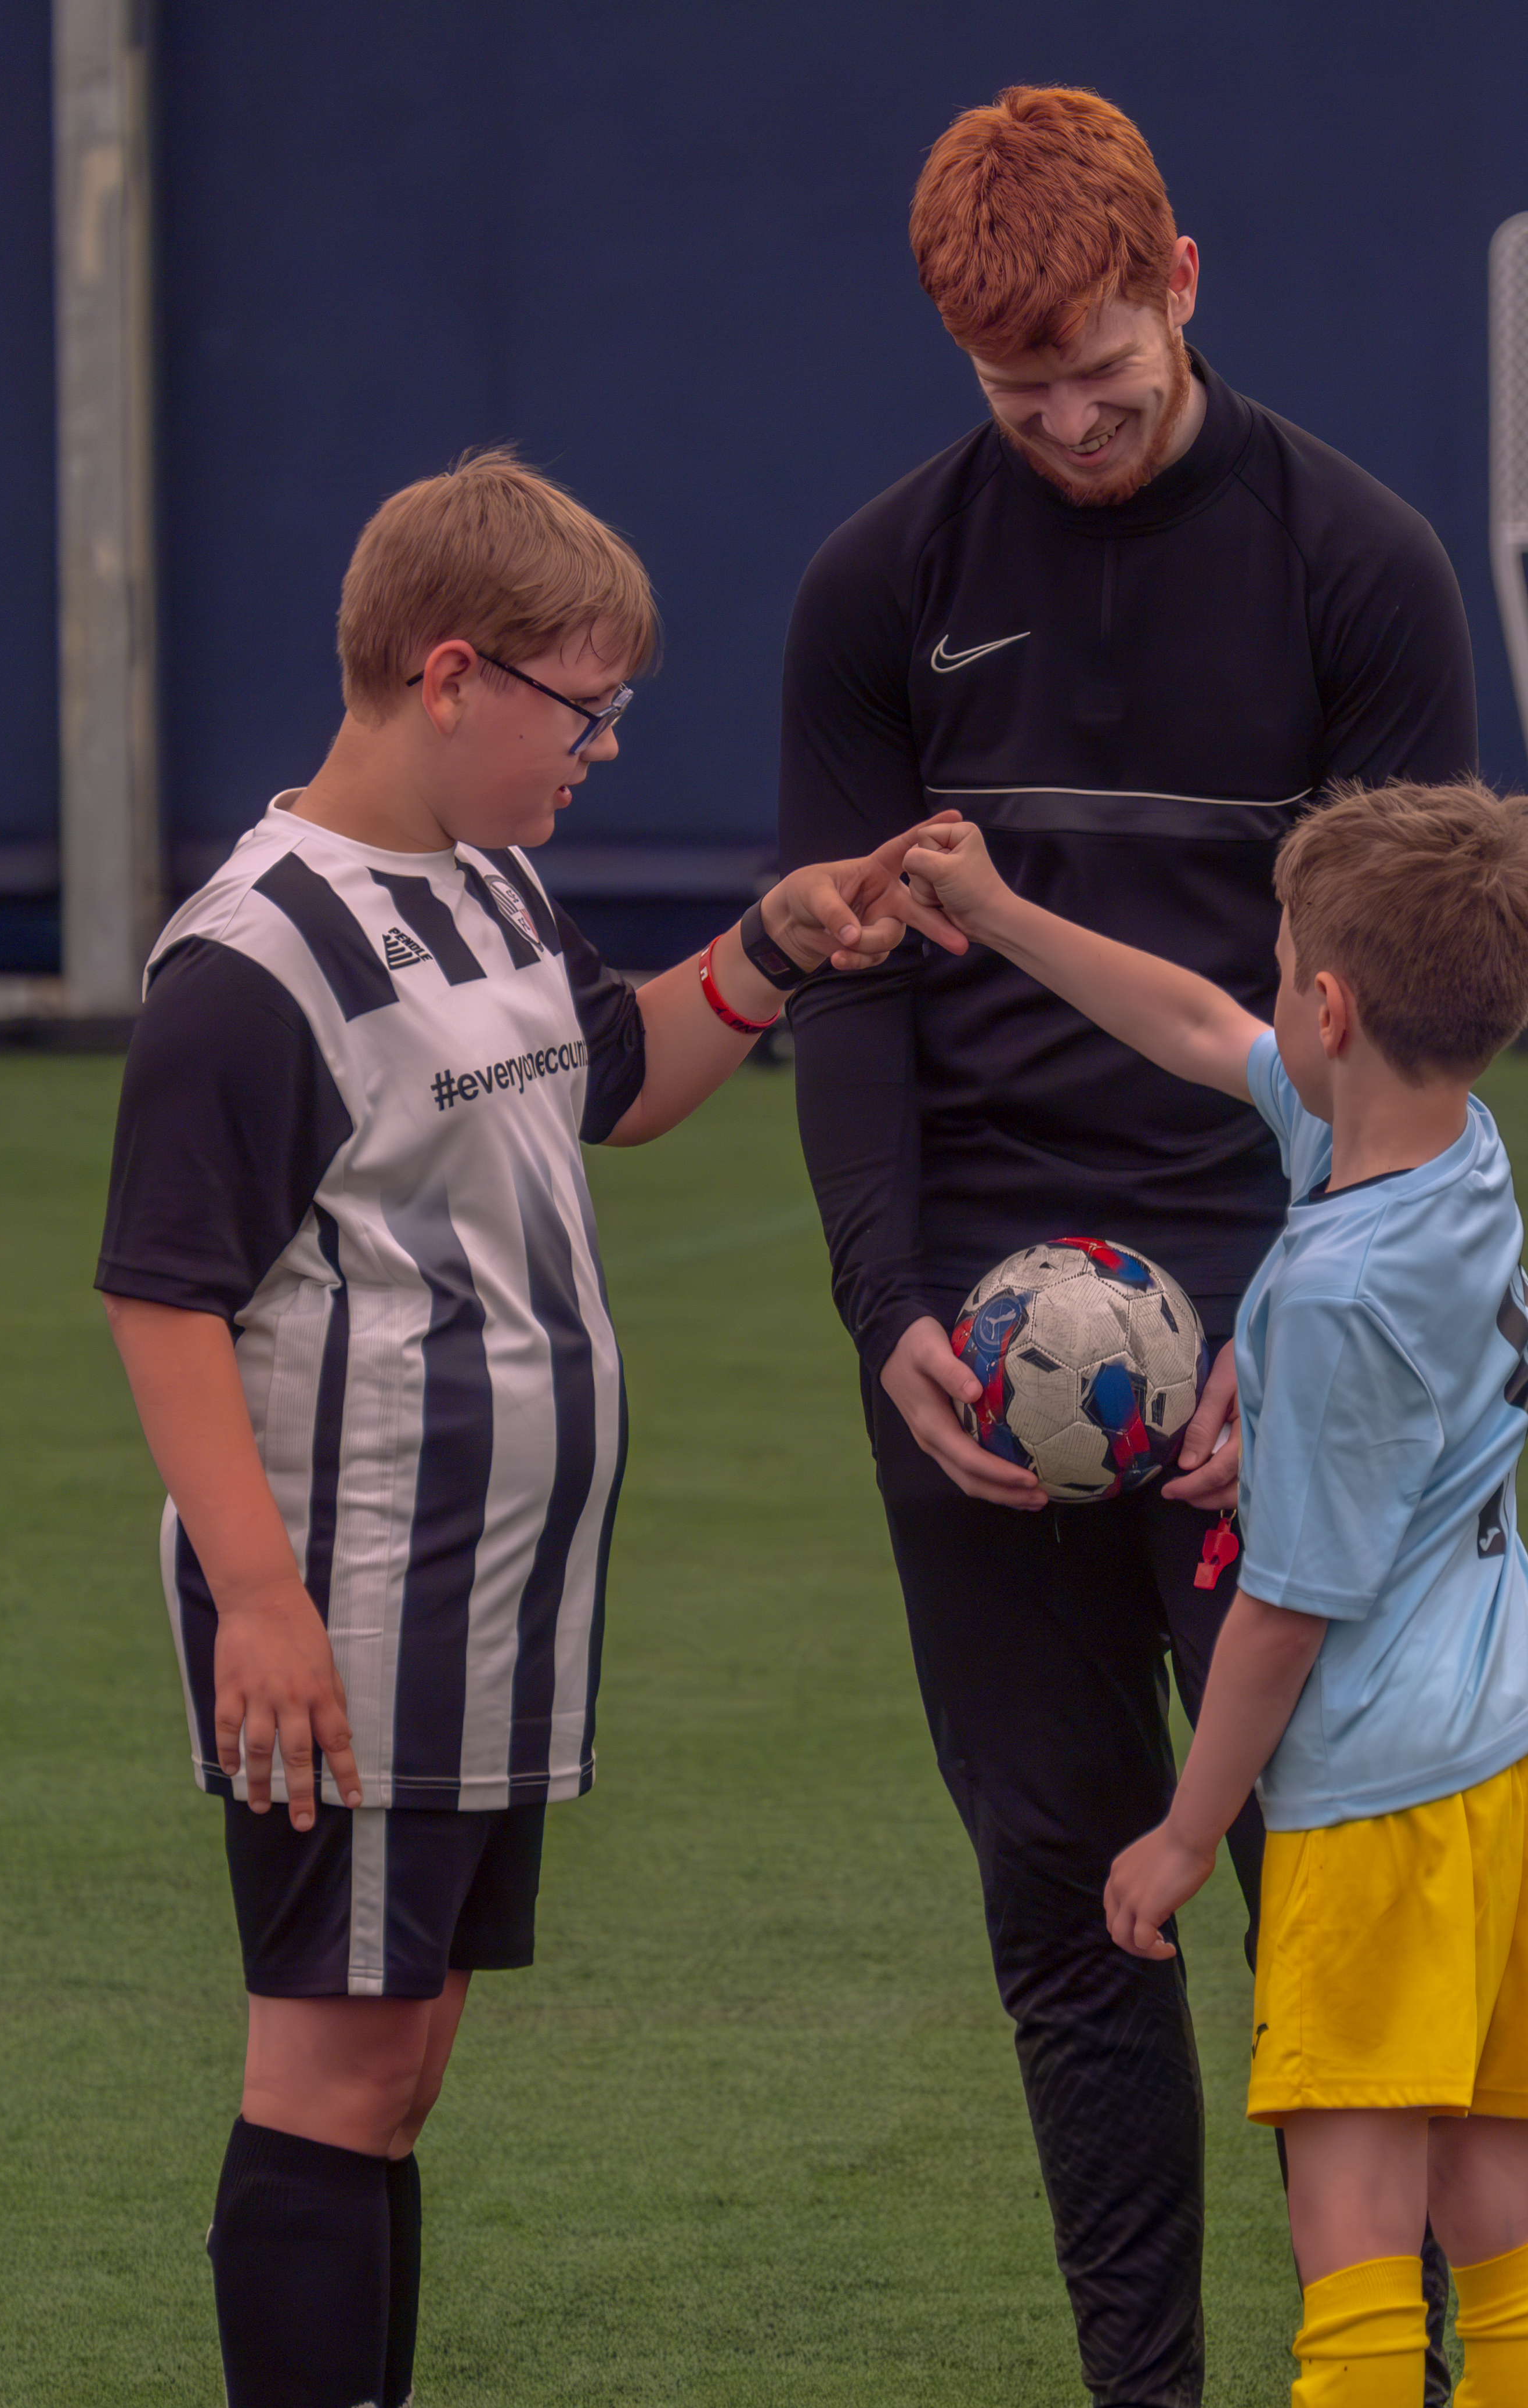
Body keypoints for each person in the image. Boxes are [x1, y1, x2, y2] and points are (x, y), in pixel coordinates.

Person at [93, 449, 931, 2408]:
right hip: (354, 1609)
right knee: (329, 2076)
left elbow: (604, 1081)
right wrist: (265, 1604)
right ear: (450, 675)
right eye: (585, 708)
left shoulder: (485, 882)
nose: (605, 749)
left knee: (395, 2078)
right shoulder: (254, 960)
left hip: (484, 1618)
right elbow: (161, 1294)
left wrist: (781, 948)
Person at [777, 83, 1480, 2407]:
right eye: (1016, 393)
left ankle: (1396, 2376)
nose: (1070, 423)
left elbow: (1425, 1017)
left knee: (1336, 1903)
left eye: (1103, 366)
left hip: (1286, 1323)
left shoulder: (1359, 568)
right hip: (986, 1338)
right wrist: (889, 1319)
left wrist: (1311, 1324)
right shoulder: (880, 591)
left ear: (1186, 282)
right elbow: (850, 986)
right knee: (1067, 1900)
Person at [894, 783, 1528, 2408]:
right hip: (1517, 1756)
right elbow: (1199, 1025)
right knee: (1499, 2198)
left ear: (1334, 1007)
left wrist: (1184, 1833)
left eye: (1285, 963)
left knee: (1352, 2212)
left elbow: (1284, 1611)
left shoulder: (1339, 1294)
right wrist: (999, 915)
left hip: (1382, 1801)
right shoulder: (1445, 1147)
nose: (1265, 988)